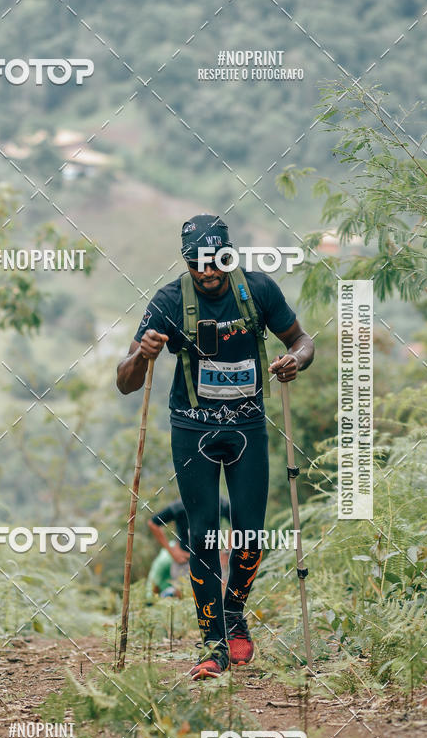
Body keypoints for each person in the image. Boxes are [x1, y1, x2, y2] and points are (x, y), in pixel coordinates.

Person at [117, 214, 314, 679]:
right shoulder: (167, 301)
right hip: (192, 430)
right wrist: (142, 355)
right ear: (185, 261)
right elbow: (125, 382)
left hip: (247, 428)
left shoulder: (258, 291)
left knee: (250, 533)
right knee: (202, 534)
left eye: (216, 261)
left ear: (230, 255)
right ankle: (214, 643)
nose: (207, 271)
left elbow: (302, 340)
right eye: (196, 262)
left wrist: (295, 361)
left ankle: (233, 614)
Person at [147, 498, 231, 597]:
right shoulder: (179, 506)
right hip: (185, 561)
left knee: (221, 596)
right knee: (185, 598)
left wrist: (226, 552)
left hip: (212, 559)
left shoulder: (218, 502)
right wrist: (172, 552)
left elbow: (237, 521)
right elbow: (153, 523)